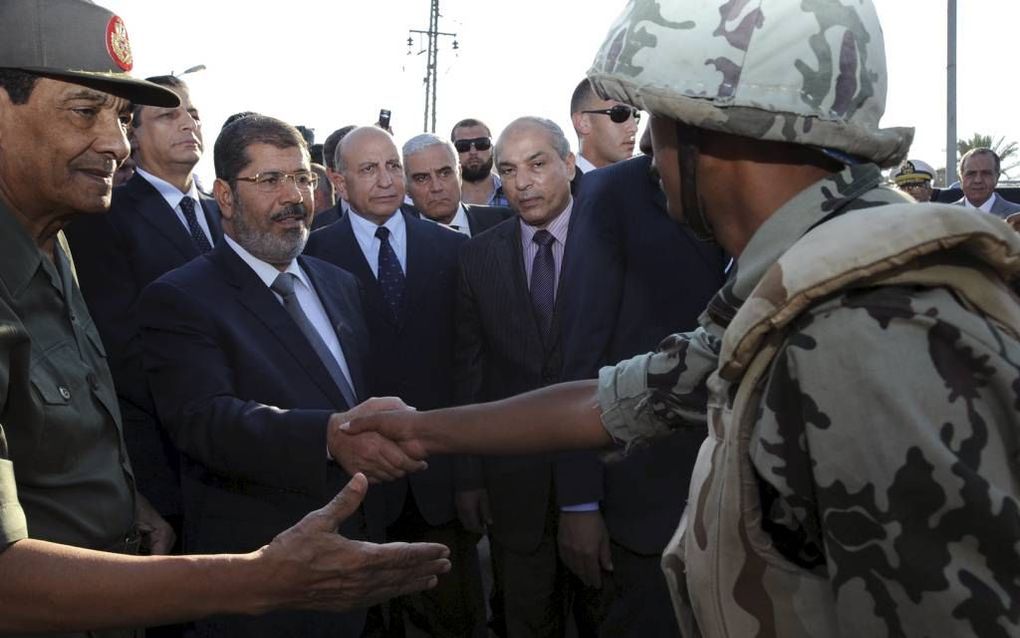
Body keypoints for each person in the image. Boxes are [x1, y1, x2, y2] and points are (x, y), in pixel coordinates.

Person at [343, 1, 1020, 636]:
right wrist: (420, 430)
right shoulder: (802, 281)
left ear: (712, 135)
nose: (647, 154)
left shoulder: (865, 325)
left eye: (657, 128)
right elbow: (616, 399)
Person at [0, 1, 449, 635]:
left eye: (121, 117)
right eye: (84, 111)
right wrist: (258, 576)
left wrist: (130, 501)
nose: (117, 143)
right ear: (226, 196)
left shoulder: (57, 250)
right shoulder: (173, 290)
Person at [138, 115, 399, 637]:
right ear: (225, 197)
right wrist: (326, 436)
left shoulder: (339, 283)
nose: (294, 196)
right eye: (270, 180)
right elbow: (205, 420)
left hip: (364, 569)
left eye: (302, 178)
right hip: (266, 583)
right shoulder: (182, 298)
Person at [305, 126, 485, 637]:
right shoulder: (313, 257)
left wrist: (470, 474)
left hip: (442, 478)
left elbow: (469, 369)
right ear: (338, 181)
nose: (385, 181)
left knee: (456, 617)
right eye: (368, 170)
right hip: (357, 483)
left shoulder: (451, 249)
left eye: (391, 167)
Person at [557, 146, 728, 636]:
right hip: (650, 502)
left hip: (760, 505)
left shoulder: (794, 186)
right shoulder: (614, 192)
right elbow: (582, 353)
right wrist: (580, 501)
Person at [63, 75, 219, 552]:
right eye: (169, 114)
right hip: (165, 457)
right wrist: (210, 404)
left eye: (192, 113)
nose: (187, 123)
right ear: (132, 132)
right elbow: (120, 345)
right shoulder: (105, 217)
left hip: (241, 455)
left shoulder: (224, 216)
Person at [402, 132, 513, 237]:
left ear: (459, 174)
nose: (436, 187)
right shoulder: (396, 239)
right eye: (422, 179)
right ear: (406, 187)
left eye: (445, 173)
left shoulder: (505, 222)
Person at [569, 78, 639, 173]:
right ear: (583, 123)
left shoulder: (646, 183)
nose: (634, 128)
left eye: (636, 115)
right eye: (619, 113)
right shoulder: (560, 186)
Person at [452, 118, 510, 207]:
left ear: (492, 148)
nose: (473, 152)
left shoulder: (514, 193)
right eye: (463, 145)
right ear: (452, 152)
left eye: (482, 143)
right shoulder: (442, 198)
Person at [954, 147, 1020, 217]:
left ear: (997, 178)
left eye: (985, 173)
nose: (978, 180)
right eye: (971, 173)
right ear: (961, 179)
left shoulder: (1017, 214)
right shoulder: (942, 216)